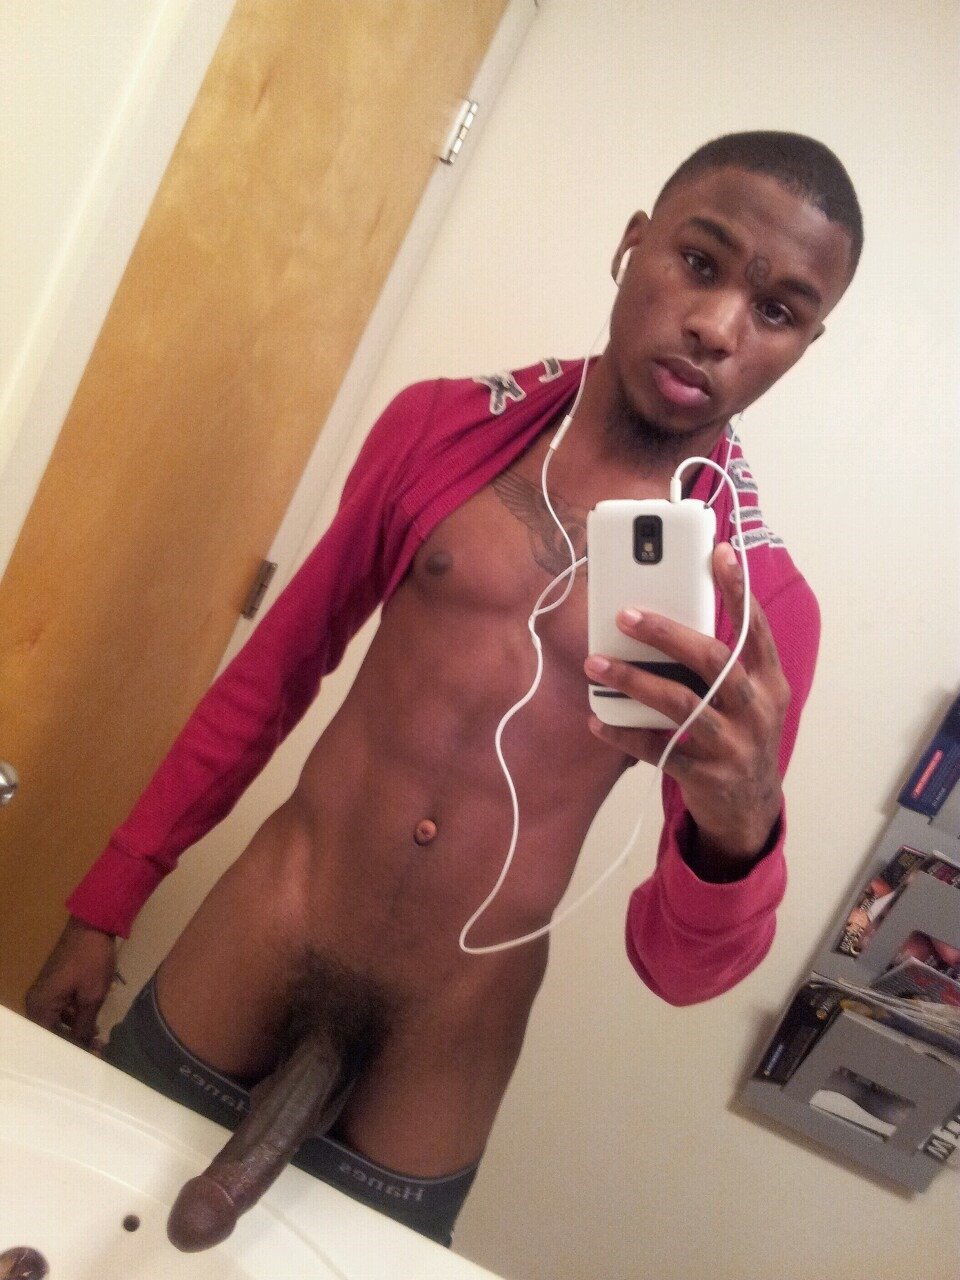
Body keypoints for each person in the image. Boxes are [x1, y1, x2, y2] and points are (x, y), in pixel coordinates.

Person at [25, 131, 862, 1246]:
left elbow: (675, 969)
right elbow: (272, 678)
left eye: (778, 310)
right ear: (632, 244)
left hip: (451, 1026)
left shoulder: (755, 604)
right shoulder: (440, 426)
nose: (718, 325)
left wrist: (741, 829)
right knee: (83, 1233)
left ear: (807, 344)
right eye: (700, 263)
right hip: (266, 927)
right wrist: (105, 903)